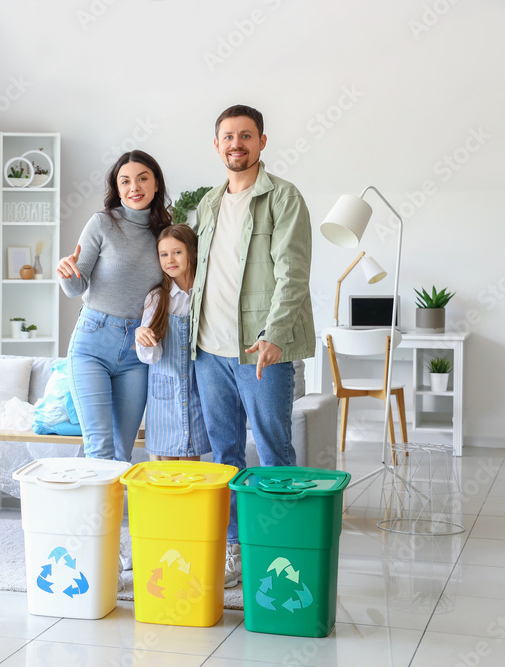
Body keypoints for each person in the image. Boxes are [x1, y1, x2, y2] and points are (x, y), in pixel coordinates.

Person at [188, 105, 315, 588]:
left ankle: (283, 552)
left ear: (262, 141)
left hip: (262, 352)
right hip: (209, 350)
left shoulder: (283, 198)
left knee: (274, 451)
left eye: (245, 136)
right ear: (216, 145)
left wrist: (275, 335)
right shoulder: (207, 204)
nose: (235, 144)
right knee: (224, 454)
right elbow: (195, 272)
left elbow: (293, 274)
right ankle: (236, 552)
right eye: (227, 136)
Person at [57, 150, 172, 463]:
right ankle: (92, 514)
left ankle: (110, 513)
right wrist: (67, 274)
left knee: (122, 454)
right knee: (100, 448)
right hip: (92, 343)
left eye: (142, 178)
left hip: (138, 351)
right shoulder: (102, 224)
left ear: (156, 183)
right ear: (117, 188)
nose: (134, 186)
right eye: (125, 181)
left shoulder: (165, 234)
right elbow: (76, 287)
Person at [135, 224, 210, 461]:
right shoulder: (157, 298)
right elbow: (149, 357)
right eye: (163, 254)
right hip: (163, 395)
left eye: (177, 252)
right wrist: (143, 337)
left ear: (193, 252)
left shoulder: (207, 292)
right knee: (164, 473)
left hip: (198, 390)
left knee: (191, 470)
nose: (170, 260)